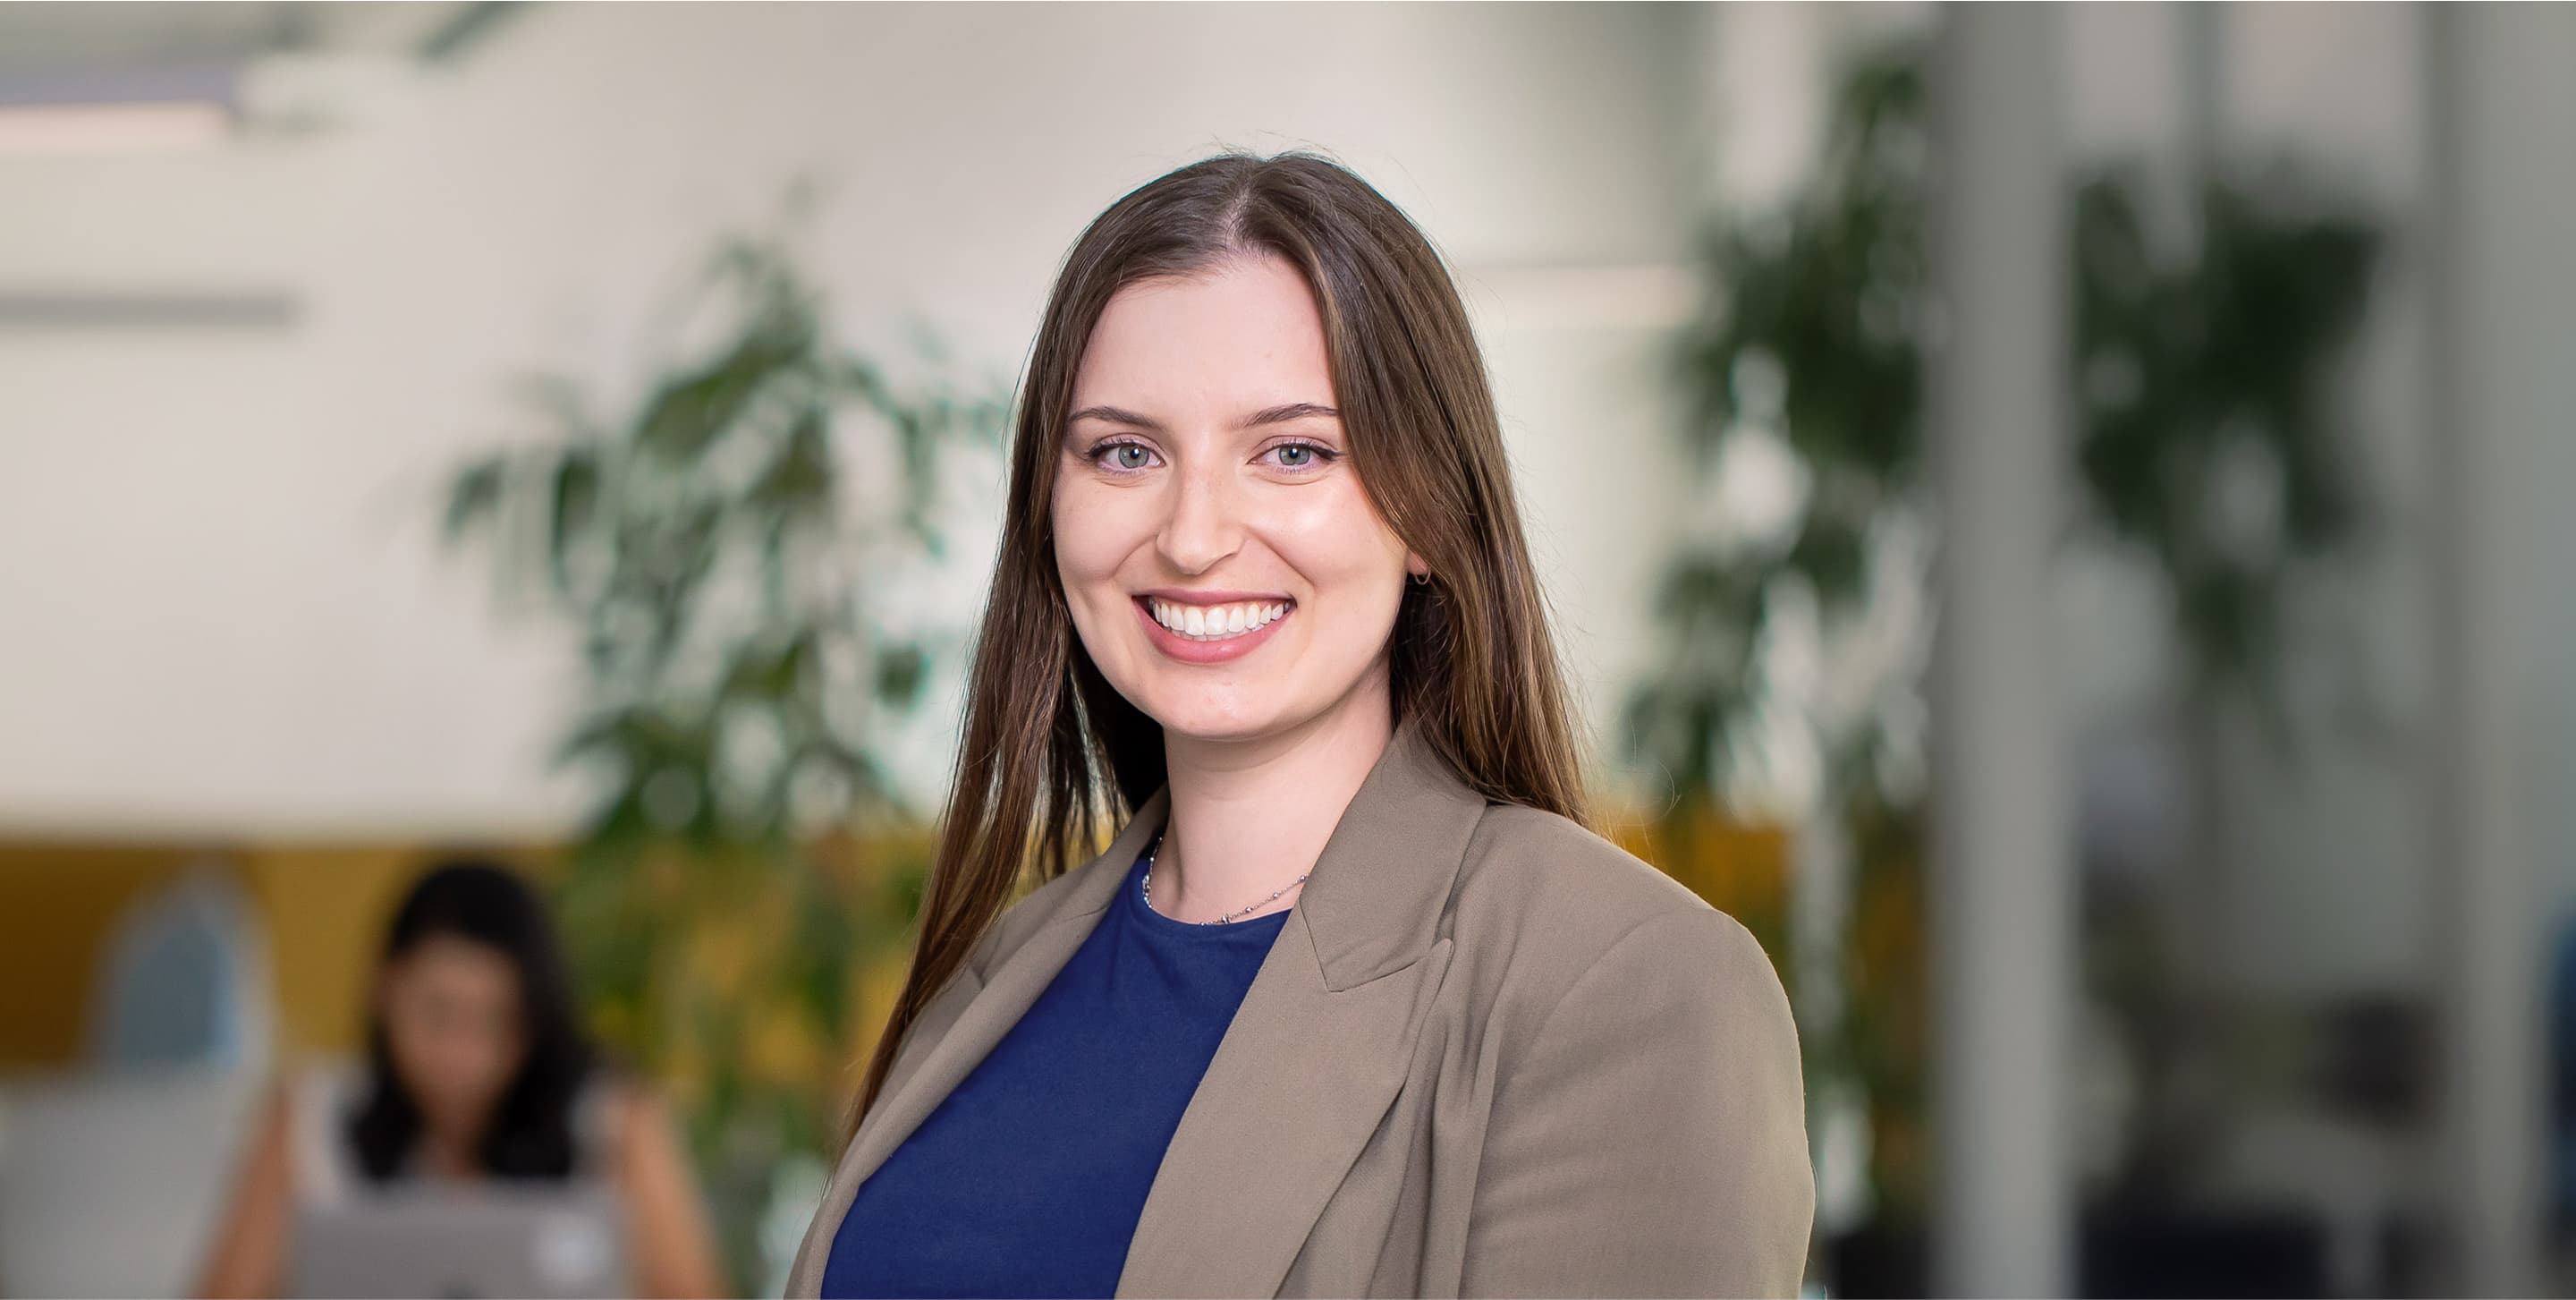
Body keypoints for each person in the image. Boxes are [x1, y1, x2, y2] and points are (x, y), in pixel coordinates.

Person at [788, 150, 1815, 1299]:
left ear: (1427, 509)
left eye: (1292, 452)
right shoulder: (1002, 973)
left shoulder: (1619, 986)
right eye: (1126, 451)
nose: (1192, 534)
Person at [195, 859, 725, 1298]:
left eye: (495, 1021)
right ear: (386, 989)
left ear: (535, 1020)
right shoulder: (307, 1119)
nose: (461, 1053)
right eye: (436, 1013)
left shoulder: (614, 1121)